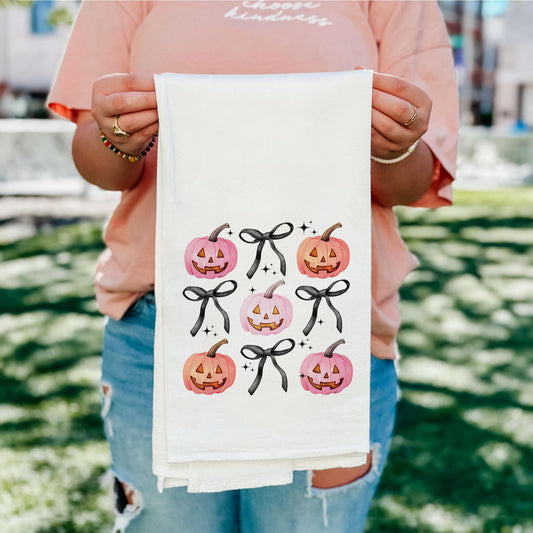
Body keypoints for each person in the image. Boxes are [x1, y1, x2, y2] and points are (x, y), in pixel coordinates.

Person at [48, 1, 458, 531]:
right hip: (162, 329)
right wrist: (116, 135)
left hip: (328, 332)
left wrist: (393, 145)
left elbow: (408, 182)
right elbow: (101, 164)